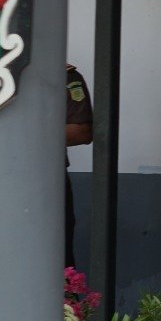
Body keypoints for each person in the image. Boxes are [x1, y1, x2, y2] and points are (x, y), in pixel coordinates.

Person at [65, 63, 93, 268]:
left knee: (58, 254)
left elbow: (82, 131)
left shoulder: (64, 76)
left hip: (46, 179)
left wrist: (28, 128)